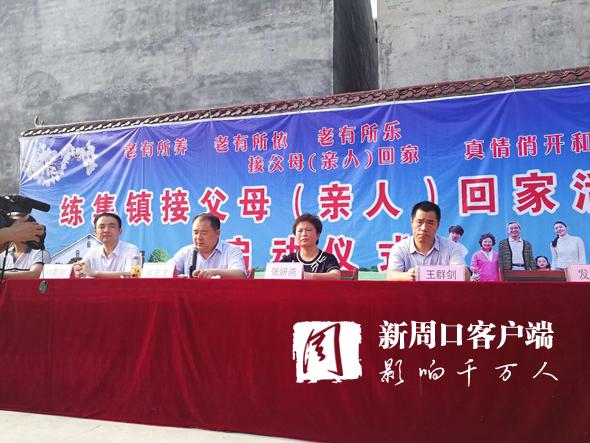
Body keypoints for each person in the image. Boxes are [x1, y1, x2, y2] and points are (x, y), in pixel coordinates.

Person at [387, 201, 465, 281]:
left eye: (430, 223)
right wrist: (407, 276)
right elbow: (391, 275)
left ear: (438, 225)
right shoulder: (399, 248)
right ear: (412, 222)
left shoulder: (452, 247)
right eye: (419, 222)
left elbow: (463, 275)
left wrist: (424, 274)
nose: (423, 228)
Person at [170, 213, 246, 278]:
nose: (198, 237)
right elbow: (167, 270)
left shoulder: (231, 250)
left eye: (204, 233)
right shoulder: (186, 251)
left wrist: (212, 273)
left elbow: (240, 274)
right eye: (195, 233)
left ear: (217, 233)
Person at [74, 212, 140, 278]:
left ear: (120, 231)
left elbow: (134, 274)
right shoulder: (92, 253)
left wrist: (95, 273)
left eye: (112, 226)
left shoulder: (131, 249)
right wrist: (79, 269)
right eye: (101, 227)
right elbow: (81, 267)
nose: (106, 230)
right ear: (95, 233)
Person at [279, 213, 340, 280]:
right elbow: (274, 273)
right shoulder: (290, 259)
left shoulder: (327, 258)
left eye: (308, 230)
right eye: (300, 231)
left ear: (318, 235)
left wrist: (310, 276)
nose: (304, 234)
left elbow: (336, 276)